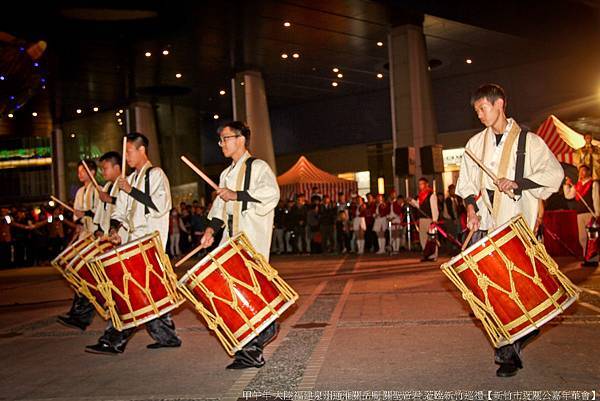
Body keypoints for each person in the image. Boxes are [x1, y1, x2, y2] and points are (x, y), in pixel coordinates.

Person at [456, 83, 563, 377]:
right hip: (489, 228)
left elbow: (554, 174)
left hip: (519, 227)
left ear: (500, 104)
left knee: (529, 295)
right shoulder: (475, 144)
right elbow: (466, 183)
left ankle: (521, 336)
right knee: (494, 295)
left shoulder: (530, 142)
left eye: (483, 108)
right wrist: (470, 208)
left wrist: (519, 183)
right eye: (476, 110)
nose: (479, 114)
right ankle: (507, 354)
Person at [85, 133, 182, 355]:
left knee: (129, 293)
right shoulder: (130, 180)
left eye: (129, 151)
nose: (126, 157)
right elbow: (120, 212)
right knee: (150, 293)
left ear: (141, 150)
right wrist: (115, 231)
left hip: (149, 242)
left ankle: (114, 339)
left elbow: (161, 204)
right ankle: (167, 337)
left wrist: (131, 191)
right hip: (132, 242)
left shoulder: (155, 175)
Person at [199, 121, 280, 369]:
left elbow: (271, 194)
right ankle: (251, 347)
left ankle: (257, 343)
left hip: (251, 241)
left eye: (225, 138)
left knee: (250, 295)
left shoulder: (258, 167)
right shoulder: (226, 174)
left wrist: (237, 195)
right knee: (235, 295)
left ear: (241, 139)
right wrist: (211, 230)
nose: (221, 143)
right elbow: (219, 210)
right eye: (220, 139)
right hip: (230, 242)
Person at [57, 160, 99, 330]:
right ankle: (79, 315)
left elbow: (102, 214)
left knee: (87, 278)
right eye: (79, 171)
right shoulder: (80, 192)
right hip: (85, 237)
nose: (80, 173)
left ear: (93, 172)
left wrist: (87, 213)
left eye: (84, 170)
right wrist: (74, 239)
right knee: (81, 276)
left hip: (96, 239)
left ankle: (80, 315)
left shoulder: (98, 191)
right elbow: (79, 221)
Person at [563, 165, 600, 265]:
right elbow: (568, 196)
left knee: (592, 237)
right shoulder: (577, 185)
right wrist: (567, 185)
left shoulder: (593, 183)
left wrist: (597, 213)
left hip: (590, 213)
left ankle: (593, 258)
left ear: (588, 172)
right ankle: (586, 257)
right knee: (582, 238)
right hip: (580, 214)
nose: (581, 173)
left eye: (583, 171)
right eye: (580, 171)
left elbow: (596, 198)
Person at [411, 178, 439, 261]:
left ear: (427, 184)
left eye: (422, 184)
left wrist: (434, 220)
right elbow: (418, 206)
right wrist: (412, 201)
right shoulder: (420, 195)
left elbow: (434, 208)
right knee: (422, 237)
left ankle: (434, 255)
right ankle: (426, 254)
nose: (420, 186)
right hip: (422, 219)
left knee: (432, 238)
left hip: (429, 219)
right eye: (419, 184)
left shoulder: (431, 195)